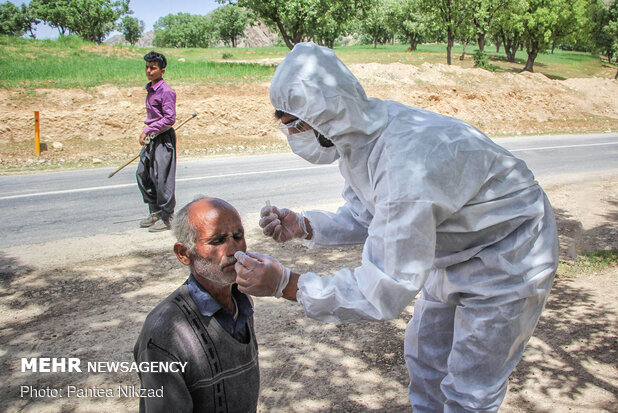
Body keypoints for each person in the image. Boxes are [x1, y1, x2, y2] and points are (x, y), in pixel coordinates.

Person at [234, 42, 559, 412]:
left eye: (294, 124)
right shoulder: (362, 138)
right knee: (426, 358)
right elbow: (369, 215)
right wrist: (305, 226)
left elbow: (382, 290)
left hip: (512, 250)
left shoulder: (404, 163)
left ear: (323, 117)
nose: (292, 135)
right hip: (459, 247)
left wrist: (287, 284)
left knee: (472, 386)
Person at [133, 197, 260, 412]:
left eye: (238, 237)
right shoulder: (164, 334)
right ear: (184, 254)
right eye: (217, 241)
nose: (233, 250)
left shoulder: (241, 300)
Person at [137, 51, 177, 232]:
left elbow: (169, 119)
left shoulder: (166, 91)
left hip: (162, 138)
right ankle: (155, 211)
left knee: (162, 178)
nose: (148, 71)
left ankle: (167, 216)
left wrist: (147, 130)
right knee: (143, 174)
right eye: (147, 67)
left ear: (162, 70)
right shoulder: (150, 89)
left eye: (153, 68)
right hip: (152, 138)